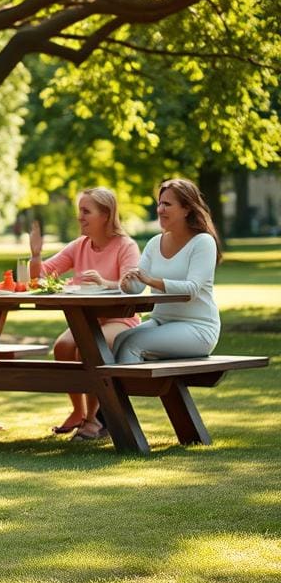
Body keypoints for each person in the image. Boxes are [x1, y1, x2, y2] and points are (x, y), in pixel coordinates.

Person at [28, 187, 141, 440]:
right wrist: (36, 255)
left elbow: (133, 285)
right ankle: (78, 412)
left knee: (86, 348)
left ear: (105, 215)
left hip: (120, 320)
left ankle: (94, 421)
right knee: (63, 348)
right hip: (87, 320)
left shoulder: (126, 246)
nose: (79, 217)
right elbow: (41, 277)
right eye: (79, 210)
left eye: (86, 211)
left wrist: (105, 283)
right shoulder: (79, 245)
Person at [115, 178, 221, 364]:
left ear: (186, 209)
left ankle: (124, 393)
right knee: (119, 340)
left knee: (132, 344)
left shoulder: (203, 242)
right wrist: (127, 283)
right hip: (161, 321)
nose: (160, 210)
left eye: (167, 204)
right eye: (159, 204)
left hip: (197, 327)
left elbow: (191, 289)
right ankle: (115, 393)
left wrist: (151, 280)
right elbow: (138, 287)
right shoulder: (155, 243)